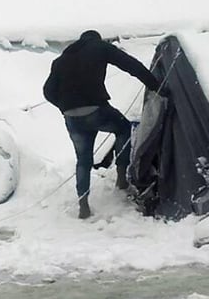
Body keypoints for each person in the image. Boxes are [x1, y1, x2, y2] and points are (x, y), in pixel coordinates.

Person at [42, 30, 164, 219]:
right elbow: (131, 65)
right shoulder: (100, 47)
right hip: (96, 110)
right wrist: (157, 86)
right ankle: (122, 178)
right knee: (123, 128)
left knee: (83, 159)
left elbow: (48, 92)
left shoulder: (61, 60)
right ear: (96, 39)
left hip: (72, 117)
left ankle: (83, 205)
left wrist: (66, 107)